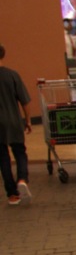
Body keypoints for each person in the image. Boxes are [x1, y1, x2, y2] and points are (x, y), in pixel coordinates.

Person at [0, 44, 33, 205]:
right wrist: (28, 120)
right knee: (20, 152)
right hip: (14, 121)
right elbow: (25, 101)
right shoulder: (12, 75)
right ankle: (22, 179)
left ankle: (12, 194)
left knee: (3, 158)